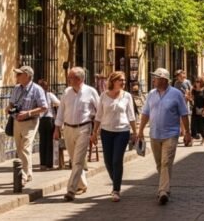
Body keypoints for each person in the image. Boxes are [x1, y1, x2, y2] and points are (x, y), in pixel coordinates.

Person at [137, 68, 192, 205]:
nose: (153, 80)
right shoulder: (151, 94)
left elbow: (184, 114)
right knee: (159, 164)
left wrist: (187, 132)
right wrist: (140, 131)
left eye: (155, 77)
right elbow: (145, 113)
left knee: (166, 162)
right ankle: (165, 186)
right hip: (154, 134)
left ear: (163, 80)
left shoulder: (176, 94)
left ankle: (163, 191)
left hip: (171, 134)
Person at [54, 66, 99, 201]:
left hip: (84, 128)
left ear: (79, 79)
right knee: (74, 160)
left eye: (70, 78)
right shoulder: (67, 92)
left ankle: (71, 190)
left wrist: (96, 131)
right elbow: (61, 111)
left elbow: (100, 111)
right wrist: (57, 128)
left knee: (78, 160)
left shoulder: (91, 92)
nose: (68, 80)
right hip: (67, 129)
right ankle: (82, 184)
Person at [91, 71, 137, 203]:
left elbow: (131, 116)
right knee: (107, 161)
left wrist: (135, 132)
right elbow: (98, 116)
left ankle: (116, 189)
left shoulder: (127, 96)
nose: (123, 82)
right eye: (120, 80)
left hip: (122, 131)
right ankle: (116, 180)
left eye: (124, 80)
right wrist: (95, 132)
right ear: (113, 81)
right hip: (106, 132)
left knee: (117, 160)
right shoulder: (104, 96)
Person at [6, 65, 47, 187]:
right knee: (20, 149)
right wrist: (9, 109)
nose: (17, 76)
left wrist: (28, 113)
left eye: (19, 74)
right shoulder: (17, 88)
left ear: (27, 76)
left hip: (30, 121)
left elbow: (44, 107)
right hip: (16, 122)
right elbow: (12, 103)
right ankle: (28, 173)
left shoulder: (37, 89)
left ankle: (22, 176)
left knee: (25, 148)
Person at [38, 79, 60, 170]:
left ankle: (42, 163)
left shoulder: (37, 96)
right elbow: (58, 103)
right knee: (49, 142)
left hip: (41, 120)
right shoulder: (50, 95)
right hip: (49, 120)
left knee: (42, 142)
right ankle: (49, 163)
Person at [190, 77, 204, 145]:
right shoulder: (193, 90)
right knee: (193, 124)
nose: (197, 83)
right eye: (196, 81)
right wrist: (189, 98)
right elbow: (191, 99)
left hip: (203, 108)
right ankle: (192, 139)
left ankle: (203, 139)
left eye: (198, 81)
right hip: (195, 108)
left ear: (202, 82)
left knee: (203, 124)